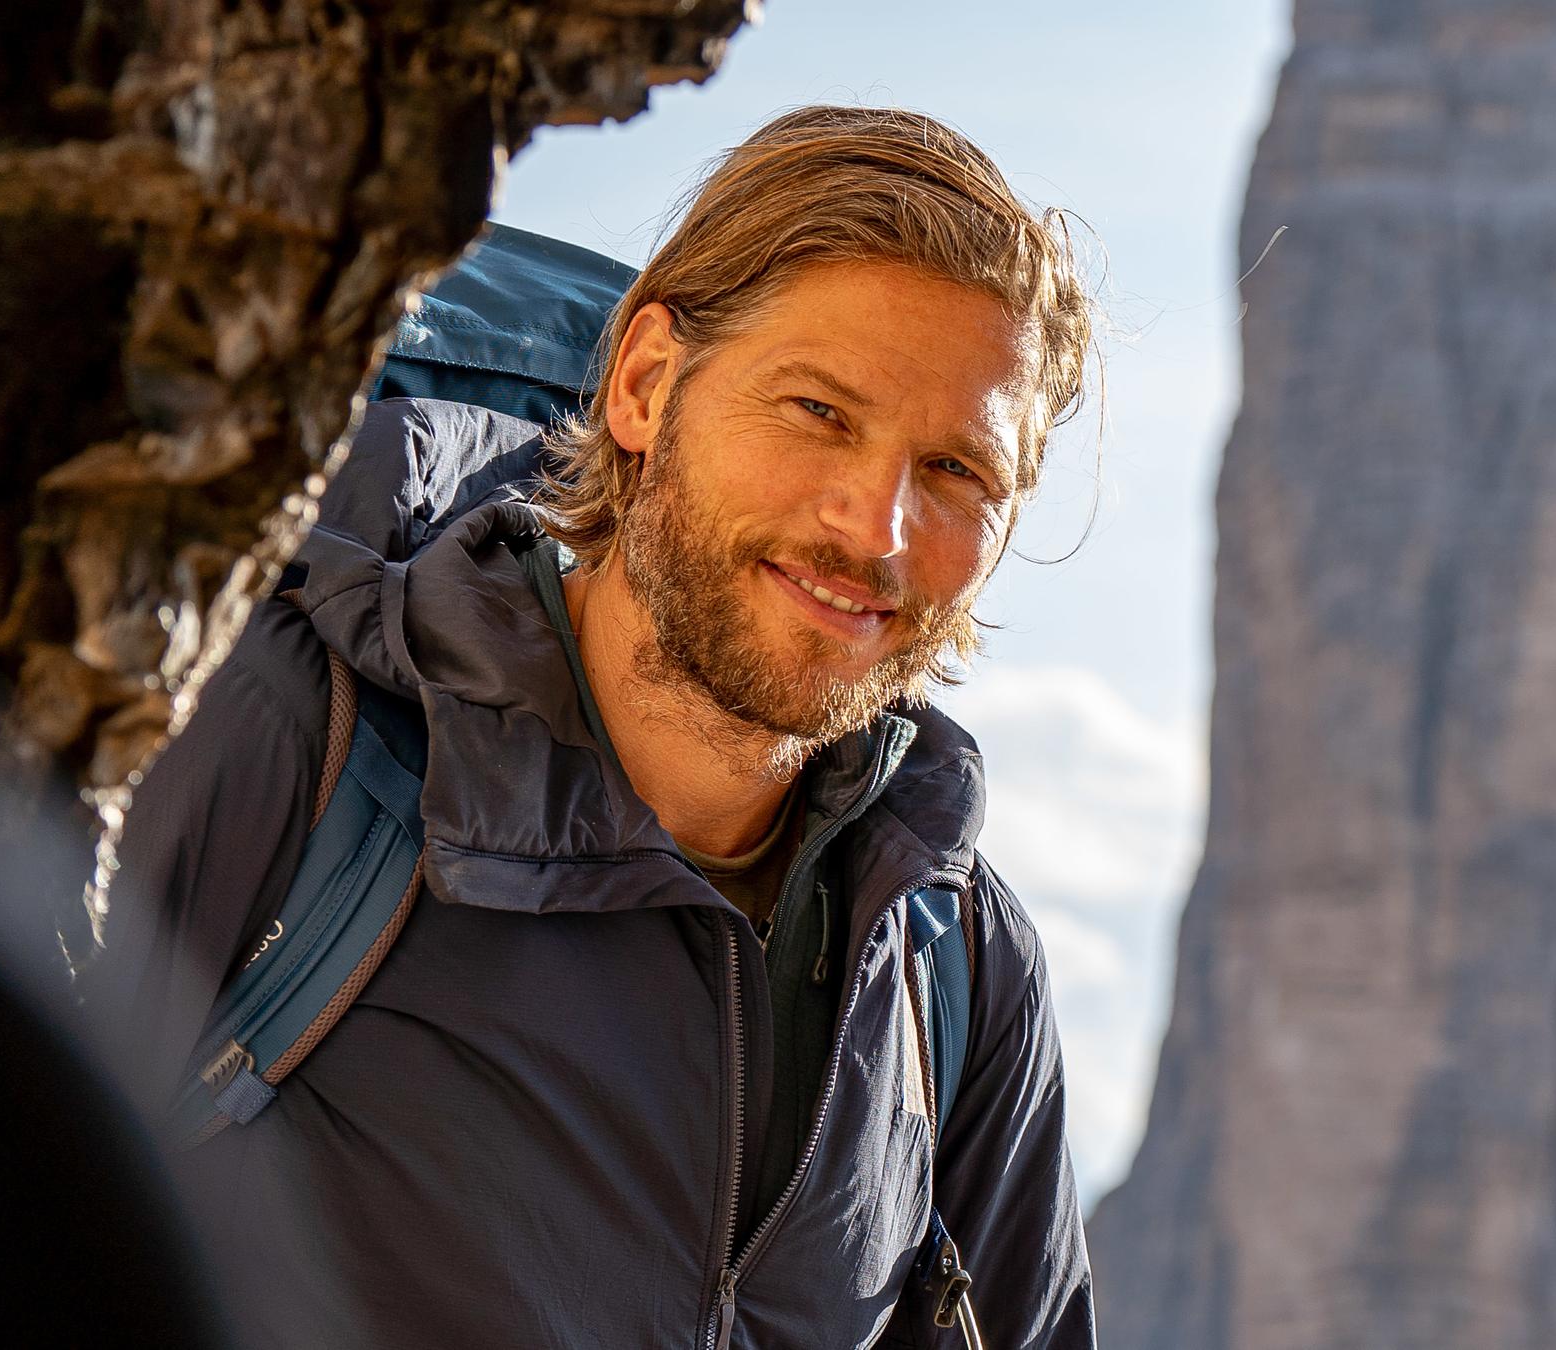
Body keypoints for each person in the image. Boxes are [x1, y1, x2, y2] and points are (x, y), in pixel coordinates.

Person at [86, 105, 1098, 1349]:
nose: (874, 528)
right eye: (819, 412)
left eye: (956, 473)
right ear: (644, 384)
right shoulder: (288, 736)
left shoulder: (959, 962)